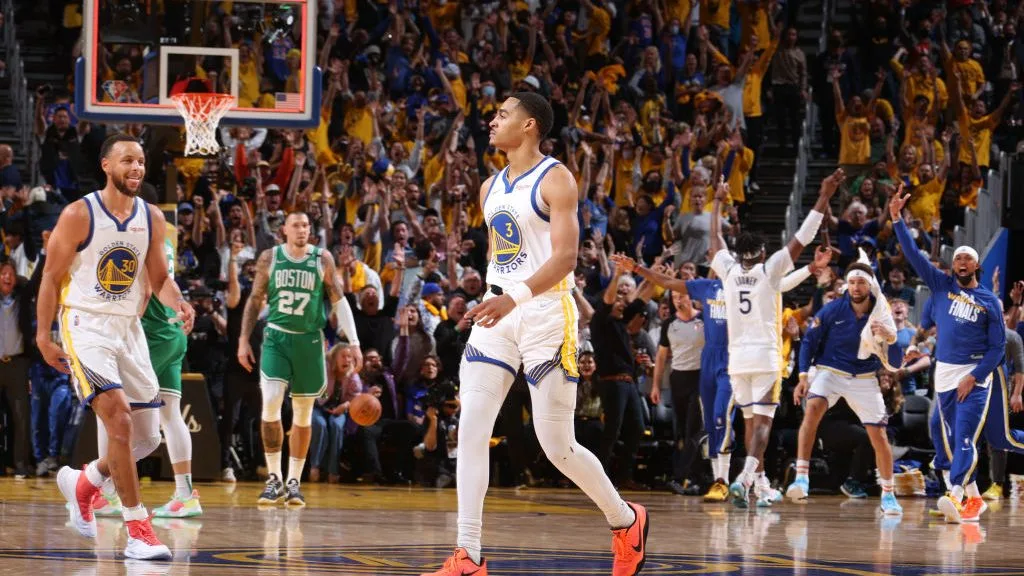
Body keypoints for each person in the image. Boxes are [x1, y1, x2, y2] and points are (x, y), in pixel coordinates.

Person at [422, 93, 648, 576]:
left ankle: (625, 520)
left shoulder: (556, 178)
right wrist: (495, 296)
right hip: (499, 312)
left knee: (557, 445)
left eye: (502, 115)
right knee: (472, 428)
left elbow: (566, 258)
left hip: (547, 313)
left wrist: (514, 297)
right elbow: (504, 254)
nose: (492, 120)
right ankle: (469, 554)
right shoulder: (488, 188)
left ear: (528, 126)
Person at [38, 134, 194, 560]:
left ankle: (83, 482)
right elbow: (50, 279)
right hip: (86, 325)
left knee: (147, 439)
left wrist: (179, 302)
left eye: (141, 161)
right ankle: (138, 530)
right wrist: (42, 336)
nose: (136, 168)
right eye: (127, 160)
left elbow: (159, 278)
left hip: (129, 329)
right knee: (120, 421)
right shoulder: (78, 214)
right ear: (107, 165)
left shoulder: (152, 218)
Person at [615, 234, 833, 503]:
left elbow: (782, 282)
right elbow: (671, 283)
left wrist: (811, 269)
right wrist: (638, 269)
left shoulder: (751, 283)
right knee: (728, 421)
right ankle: (755, 481)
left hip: (736, 358)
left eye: (715, 253)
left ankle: (730, 479)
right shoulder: (707, 287)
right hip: (713, 358)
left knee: (728, 418)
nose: (712, 255)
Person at [711, 168, 841, 508]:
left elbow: (716, 241)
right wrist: (823, 196)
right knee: (764, 425)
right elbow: (803, 235)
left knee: (750, 426)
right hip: (766, 358)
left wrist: (716, 204)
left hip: (737, 361)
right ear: (763, 253)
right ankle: (744, 478)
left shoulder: (726, 270)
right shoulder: (769, 270)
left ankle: (758, 483)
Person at [889, 187, 1007, 523]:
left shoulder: (989, 302)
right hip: (944, 374)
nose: (962, 262)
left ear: (977, 265)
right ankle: (974, 501)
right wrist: (897, 220)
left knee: (967, 437)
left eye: (968, 258)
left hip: (974, 375)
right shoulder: (942, 286)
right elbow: (914, 255)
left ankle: (953, 495)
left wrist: (975, 376)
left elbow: (998, 348)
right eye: (958, 258)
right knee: (951, 443)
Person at [237, 211, 362, 507]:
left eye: (306, 225)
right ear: (284, 230)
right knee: (270, 402)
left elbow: (338, 299)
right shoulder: (270, 258)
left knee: (304, 414)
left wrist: (354, 342)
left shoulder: (322, 259)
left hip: (309, 341)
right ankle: (273, 478)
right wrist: (243, 339)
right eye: (296, 225)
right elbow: (255, 299)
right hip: (277, 337)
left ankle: (293, 481)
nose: (302, 230)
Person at [786, 261, 903, 516]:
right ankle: (802, 477)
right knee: (813, 408)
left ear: (870, 285)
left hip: (864, 378)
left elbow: (896, 363)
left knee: (879, 437)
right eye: (851, 282)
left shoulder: (881, 314)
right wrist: (804, 377)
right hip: (832, 371)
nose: (855, 287)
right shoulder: (832, 310)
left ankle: (889, 494)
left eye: (861, 282)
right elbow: (808, 342)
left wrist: (890, 337)